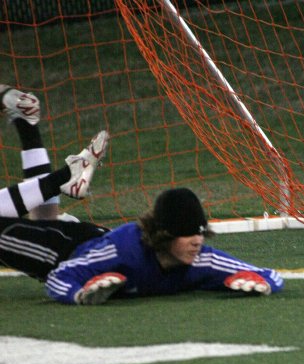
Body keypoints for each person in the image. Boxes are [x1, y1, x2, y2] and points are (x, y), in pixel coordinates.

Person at [0, 85, 284, 304]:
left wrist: (256, 280)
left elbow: (270, 274)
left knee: (42, 217)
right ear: (164, 234)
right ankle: (63, 173)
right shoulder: (123, 251)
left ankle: (29, 128)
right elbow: (60, 277)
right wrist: (80, 294)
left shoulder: (199, 258)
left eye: (199, 231)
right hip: (59, 252)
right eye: (187, 233)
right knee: (41, 221)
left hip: (86, 240)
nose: (197, 240)